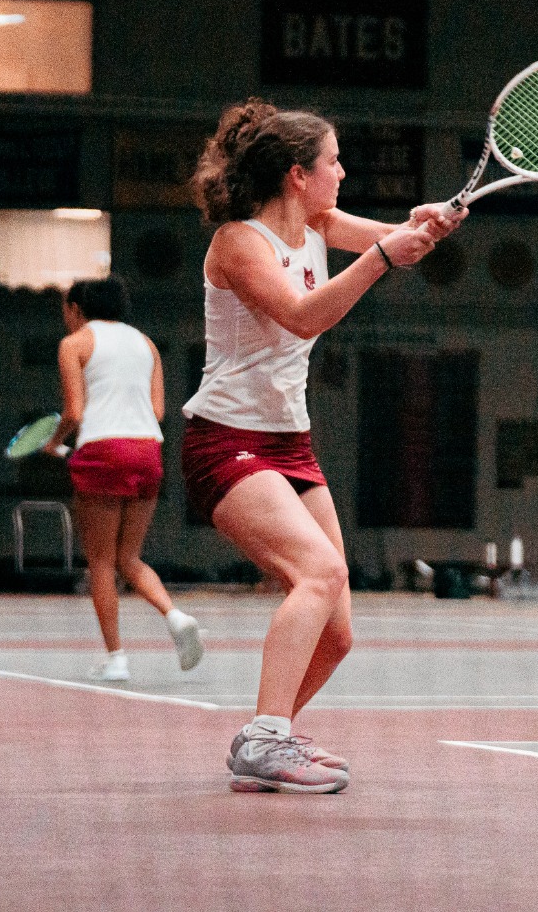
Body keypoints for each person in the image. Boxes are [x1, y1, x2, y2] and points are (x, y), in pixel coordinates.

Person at [185, 99, 462, 793]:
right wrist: (382, 256)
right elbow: (304, 316)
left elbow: (394, 238)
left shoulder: (316, 222)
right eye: (334, 160)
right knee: (318, 572)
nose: (344, 171)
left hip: (290, 445)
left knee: (336, 631)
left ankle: (264, 732)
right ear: (297, 174)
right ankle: (268, 739)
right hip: (227, 442)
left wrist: (420, 226)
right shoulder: (237, 242)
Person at [36, 276, 201, 682]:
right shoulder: (146, 344)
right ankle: (175, 615)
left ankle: (116, 658)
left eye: (65, 309)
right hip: (147, 451)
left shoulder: (73, 344)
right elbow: (158, 411)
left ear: (76, 309)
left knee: (102, 563)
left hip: (103, 451)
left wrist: (53, 443)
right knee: (129, 557)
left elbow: (74, 412)